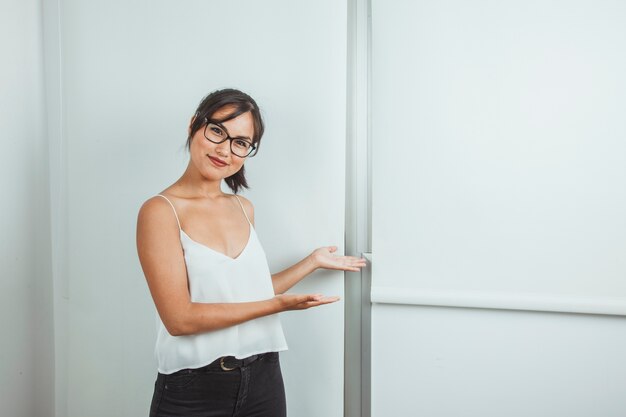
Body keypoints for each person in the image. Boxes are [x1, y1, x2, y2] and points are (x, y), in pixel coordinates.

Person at [136, 88, 366, 417]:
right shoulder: (160, 211)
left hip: (263, 378)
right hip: (194, 389)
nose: (225, 150)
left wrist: (311, 262)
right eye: (217, 131)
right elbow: (179, 319)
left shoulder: (243, 207)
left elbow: (246, 294)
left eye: (240, 142)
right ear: (193, 125)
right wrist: (276, 306)